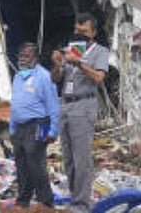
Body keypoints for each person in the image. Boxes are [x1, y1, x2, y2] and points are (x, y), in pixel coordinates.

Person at [51, 13, 109, 213]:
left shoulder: (100, 52)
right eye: (77, 30)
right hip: (66, 104)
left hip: (84, 104)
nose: (79, 34)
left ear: (93, 32)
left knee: (81, 157)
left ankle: (82, 205)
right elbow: (56, 79)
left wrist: (78, 63)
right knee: (68, 157)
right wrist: (58, 63)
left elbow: (99, 78)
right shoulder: (71, 49)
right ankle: (76, 199)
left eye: (83, 31)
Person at [9, 42, 60, 212]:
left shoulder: (45, 76)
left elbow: (53, 105)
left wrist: (53, 130)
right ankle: (23, 200)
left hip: (40, 123)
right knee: (21, 163)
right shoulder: (18, 77)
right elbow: (15, 104)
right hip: (20, 127)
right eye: (21, 55)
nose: (22, 58)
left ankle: (46, 202)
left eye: (26, 55)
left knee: (35, 162)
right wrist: (12, 128)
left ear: (35, 58)